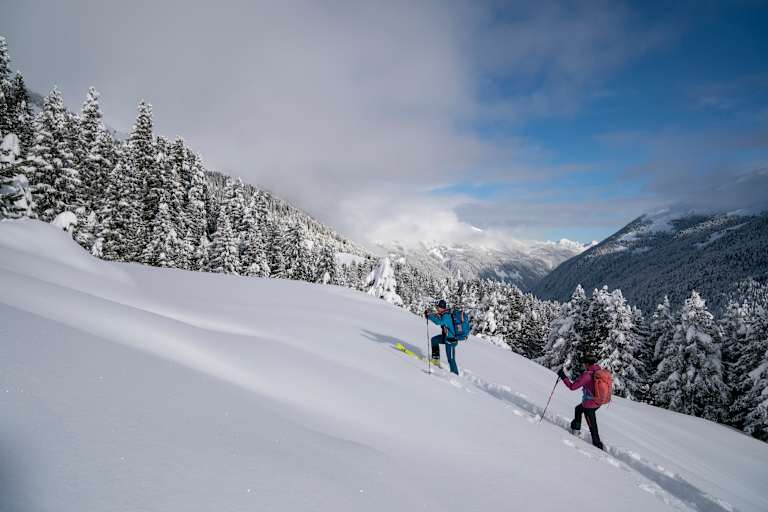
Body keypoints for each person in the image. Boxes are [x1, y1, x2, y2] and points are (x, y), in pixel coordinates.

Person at [557, 354, 605, 450]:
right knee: (578, 409)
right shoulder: (598, 370)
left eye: (584, 363)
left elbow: (572, 387)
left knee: (592, 425)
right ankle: (575, 430)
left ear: (587, 363)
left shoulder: (587, 375)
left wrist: (563, 377)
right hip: (598, 401)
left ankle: (598, 446)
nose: (583, 365)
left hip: (590, 404)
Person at [424, 299, 459, 375]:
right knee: (434, 340)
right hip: (446, 337)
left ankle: (455, 374)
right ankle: (436, 360)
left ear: (441, 307)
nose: (437, 309)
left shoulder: (446, 316)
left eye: (438, 307)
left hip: (451, 340)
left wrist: (429, 316)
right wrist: (429, 314)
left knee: (451, 359)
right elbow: (437, 317)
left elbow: (438, 322)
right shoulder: (443, 313)